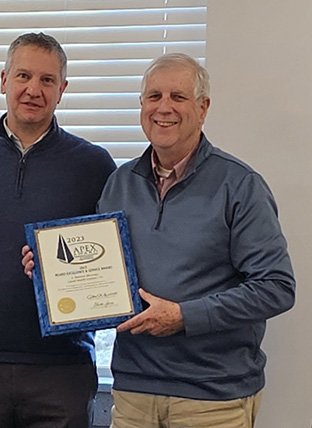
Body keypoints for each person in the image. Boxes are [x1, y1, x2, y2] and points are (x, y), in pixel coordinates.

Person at [23, 52, 296, 428]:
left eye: (178, 97)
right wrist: (49, 272)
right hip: (133, 393)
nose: (163, 108)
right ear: (141, 106)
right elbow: (98, 273)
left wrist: (185, 317)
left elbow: (277, 287)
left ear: (203, 108)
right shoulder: (119, 184)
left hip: (212, 399)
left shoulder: (239, 185)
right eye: (153, 97)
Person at [0, 32, 116, 428]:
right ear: (3, 80)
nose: (33, 90)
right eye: (23, 76)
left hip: (64, 366)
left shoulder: (94, 165)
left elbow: (113, 262)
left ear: (62, 89)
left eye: (47, 80)